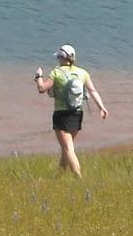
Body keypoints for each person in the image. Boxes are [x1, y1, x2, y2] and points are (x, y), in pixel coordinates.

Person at [34, 44, 108, 176]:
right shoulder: (82, 72)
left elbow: (42, 88)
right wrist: (101, 107)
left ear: (62, 58)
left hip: (61, 115)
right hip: (77, 114)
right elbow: (92, 91)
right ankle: (59, 176)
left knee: (68, 148)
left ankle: (78, 177)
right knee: (66, 148)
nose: (57, 60)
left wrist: (38, 77)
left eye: (58, 57)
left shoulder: (56, 72)